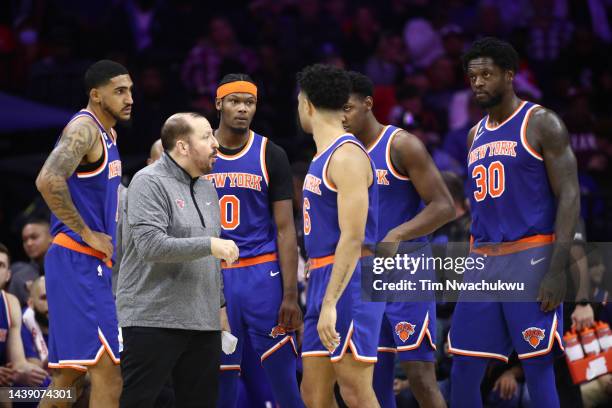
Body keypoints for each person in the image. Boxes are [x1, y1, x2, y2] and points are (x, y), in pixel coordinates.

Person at [448, 37, 580, 407]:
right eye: (472, 76)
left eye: (487, 74)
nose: (478, 83)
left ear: (509, 75)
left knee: (538, 367)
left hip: (530, 256)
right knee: (463, 369)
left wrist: (558, 269)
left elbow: (569, 195)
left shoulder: (541, 123)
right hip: (483, 259)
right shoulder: (474, 134)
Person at [343, 70, 453, 408]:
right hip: (365, 273)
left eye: (347, 108)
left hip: (406, 270)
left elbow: (445, 206)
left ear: (368, 104)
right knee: (373, 381)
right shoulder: (342, 153)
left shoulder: (402, 144)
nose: (342, 117)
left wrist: (398, 234)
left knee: (420, 377)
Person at [116, 112, 238, 408]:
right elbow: (151, 246)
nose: (215, 143)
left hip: (203, 321)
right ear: (183, 146)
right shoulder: (148, 182)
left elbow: (210, 260)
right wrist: (210, 245)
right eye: (207, 136)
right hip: (152, 318)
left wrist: (219, 306)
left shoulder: (208, 187)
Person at [35, 59, 133, 408]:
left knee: (68, 378)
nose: (129, 98)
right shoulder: (84, 128)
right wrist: (88, 233)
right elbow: (47, 180)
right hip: (79, 259)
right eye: (119, 91)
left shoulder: (108, 133)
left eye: (130, 90)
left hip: (84, 263)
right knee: (109, 372)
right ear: (96, 94)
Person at [203, 73, 303, 408]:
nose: (242, 109)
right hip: (212, 275)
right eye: (235, 101)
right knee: (221, 377)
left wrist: (291, 294)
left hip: (261, 273)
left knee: (283, 373)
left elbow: (286, 230)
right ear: (218, 103)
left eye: (249, 102)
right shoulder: (200, 154)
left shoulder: (270, 153)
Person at [297, 63, 384, 408]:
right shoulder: (321, 156)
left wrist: (330, 302)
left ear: (308, 105)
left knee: (355, 390)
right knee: (314, 394)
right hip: (323, 275)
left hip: (351, 280)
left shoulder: (347, 156)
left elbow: (353, 236)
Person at [0, 244, 50, 388]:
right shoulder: (26, 318)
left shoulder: (10, 303)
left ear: (8, 275)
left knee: (65, 392)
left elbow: (19, 363)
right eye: (44, 297)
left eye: (1, 265)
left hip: (4, 388)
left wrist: (25, 372)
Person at [8, 219, 52, 306]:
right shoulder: (20, 277)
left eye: (34, 237)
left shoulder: (68, 266)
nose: (29, 243)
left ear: (51, 237)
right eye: (25, 240)